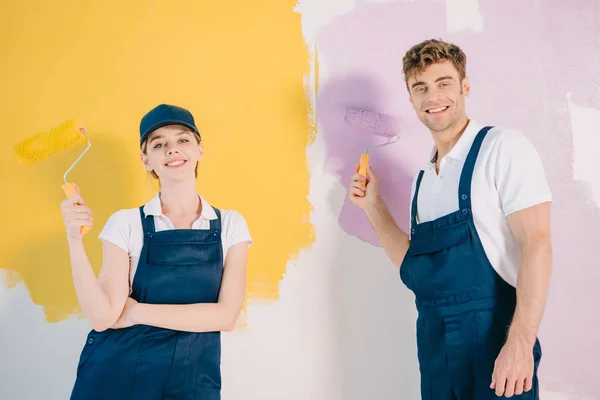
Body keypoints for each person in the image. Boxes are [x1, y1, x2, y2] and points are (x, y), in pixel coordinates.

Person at [348, 39, 553, 399]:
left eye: (444, 83)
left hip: (494, 344)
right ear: (411, 99)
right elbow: (414, 267)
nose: (433, 96)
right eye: (420, 88)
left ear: (465, 86)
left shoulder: (502, 148)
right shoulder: (423, 180)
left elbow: (537, 244)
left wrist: (520, 342)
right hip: (435, 349)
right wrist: (373, 208)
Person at [61, 104, 252, 399]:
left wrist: (136, 312)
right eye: (159, 144)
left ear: (200, 149)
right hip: (118, 377)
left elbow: (225, 316)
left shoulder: (230, 224)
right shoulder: (124, 223)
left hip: (191, 381)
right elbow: (102, 318)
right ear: (146, 159)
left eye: (183, 140)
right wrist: (74, 240)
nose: (172, 150)